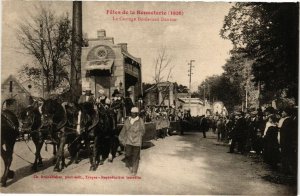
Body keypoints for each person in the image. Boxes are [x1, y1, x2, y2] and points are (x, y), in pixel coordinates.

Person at [118, 107, 145, 176]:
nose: (132, 114)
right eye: (132, 113)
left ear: (136, 113)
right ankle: (130, 165)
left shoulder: (140, 120)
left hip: (137, 141)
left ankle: (134, 170)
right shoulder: (128, 120)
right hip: (129, 141)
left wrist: (139, 136)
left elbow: (143, 130)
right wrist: (121, 137)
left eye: (134, 113)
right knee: (128, 154)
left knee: (136, 156)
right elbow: (124, 129)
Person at [278, 107, 295, 174]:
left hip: (286, 141)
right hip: (285, 140)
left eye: (283, 112)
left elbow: (285, 132)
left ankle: (286, 170)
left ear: (286, 113)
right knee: (285, 155)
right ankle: (285, 169)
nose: (282, 113)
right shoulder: (288, 120)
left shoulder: (287, 121)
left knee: (285, 155)